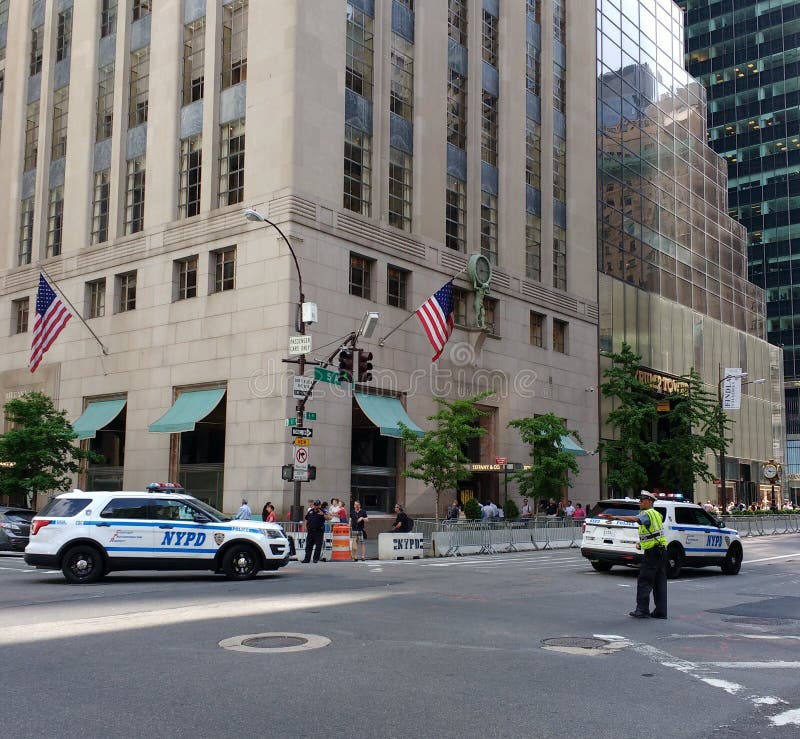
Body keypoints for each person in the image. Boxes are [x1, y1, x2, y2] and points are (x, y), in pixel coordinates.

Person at [599, 490, 667, 619]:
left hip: (653, 552)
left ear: (650, 501)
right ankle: (661, 611)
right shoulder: (657, 514)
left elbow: (635, 519)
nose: (639, 502)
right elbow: (654, 533)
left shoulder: (646, 514)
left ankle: (642, 610)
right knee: (659, 582)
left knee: (644, 581)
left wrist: (615, 517)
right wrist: (641, 544)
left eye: (642, 500)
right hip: (661, 550)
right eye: (639, 500)